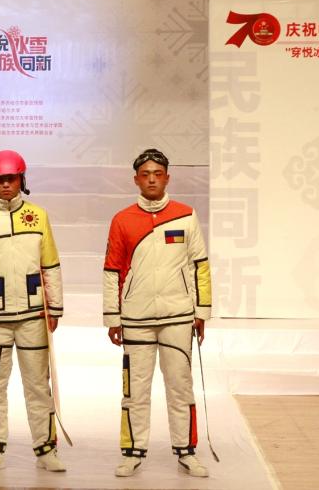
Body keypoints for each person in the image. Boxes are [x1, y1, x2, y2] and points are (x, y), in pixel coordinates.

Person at [103, 148, 212, 478]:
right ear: (136, 179)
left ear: (167, 178)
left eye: (158, 174)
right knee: (135, 390)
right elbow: (112, 270)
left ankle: (186, 452)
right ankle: (132, 453)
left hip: (178, 316)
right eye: (145, 174)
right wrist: (112, 317)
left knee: (181, 387)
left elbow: (200, 266)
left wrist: (201, 312)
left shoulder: (186, 215)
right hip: (136, 318)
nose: (152, 179)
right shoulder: (122, 219)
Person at [0, 150, 66, 474]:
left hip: (33, 315)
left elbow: (50, 263)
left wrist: (55, 306)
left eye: (12, 178)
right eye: (0, 179)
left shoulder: (38, 215)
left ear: (22, 179)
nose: (6, 184)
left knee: (38, 386)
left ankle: (46, 449)